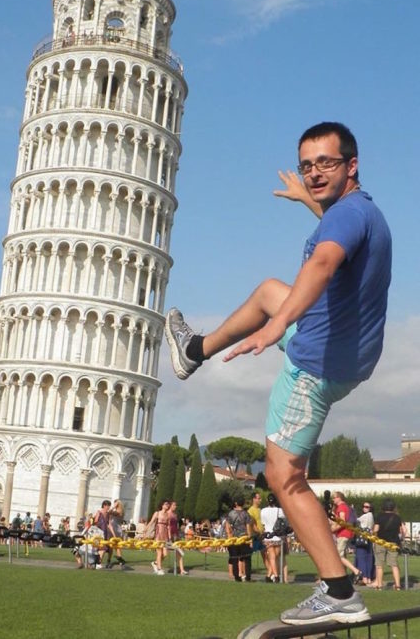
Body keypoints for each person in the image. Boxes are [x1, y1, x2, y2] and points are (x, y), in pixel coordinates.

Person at [165, 122, 391, 624]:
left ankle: (339, 593)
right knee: (270, 290)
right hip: (350, 355)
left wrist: (280, 326)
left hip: (315, 364)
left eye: (325, 164)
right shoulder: (361, 212)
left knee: (282, 475)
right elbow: (335, 234)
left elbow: (326, 261)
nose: (313, 173)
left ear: (351, 166)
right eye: (308, 165)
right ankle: (195, 350)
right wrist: (305, 202)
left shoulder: (343, 221)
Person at [373, 498, 406, 590]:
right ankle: (398, 585)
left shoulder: (379, 516)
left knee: (379, 565)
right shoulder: (397, 517)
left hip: (380, 542)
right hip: (393, 542)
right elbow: (401, 531)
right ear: (393, 507)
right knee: (394, 564)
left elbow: (376, 529)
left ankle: (379, 586)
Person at [330, 492, 362, 583]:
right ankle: (343, 576)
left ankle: (356, 571)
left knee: (339, 556)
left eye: (334, 498)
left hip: (343, 534)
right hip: (345, 533)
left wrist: (333, 529)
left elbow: (342, 521)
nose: (333, 499)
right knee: (342, 555)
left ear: (339, 498)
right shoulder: (345, 507)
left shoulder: (341, 507)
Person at [260, 493, 288, 583]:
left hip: (268, 535)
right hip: (277, 536)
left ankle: (272, 575)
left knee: (272, 557)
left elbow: (263, 523)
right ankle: (273, 575)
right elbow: (284, 519)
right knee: (275, 557)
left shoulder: (263, 511)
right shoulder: (280, 510)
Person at [225, 497, 252, 582]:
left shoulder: (231, 514)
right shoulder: (246, 514)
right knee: (247, 558)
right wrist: (250, 539)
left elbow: (227, 526)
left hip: (234, 538)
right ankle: (248, 576)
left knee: (235, 558)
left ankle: (237, 576)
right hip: (244, 538)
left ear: (236, 503)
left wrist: (229, 537)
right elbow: (248, 527)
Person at [148, 499, 171, 575]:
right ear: (162, 505)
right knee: (159, 552)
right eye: (165, 504)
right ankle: (159, 568)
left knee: (165, 553)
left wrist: (170, 536)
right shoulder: (157, 513)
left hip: (165, 534)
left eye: (168, 504)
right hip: (158, 533)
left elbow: (168, 526)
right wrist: (145, 530)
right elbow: (151, 522)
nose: (167, 505)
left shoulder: (168, 515)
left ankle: (155, 563)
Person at [355, 502, 375, 585]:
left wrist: (352, 511)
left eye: (367, 507)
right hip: (369, 537)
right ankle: (369, 577)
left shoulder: (365, 516)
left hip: (362, 538)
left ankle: (364, 577)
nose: (364, 508)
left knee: (361, 557)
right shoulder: (372, 516)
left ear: (370, 508)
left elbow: (355, 521)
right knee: (369, 558)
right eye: (363, 506)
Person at [247, 491, 266, 571]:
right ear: (253, 499)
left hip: (262, 535)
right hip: (255, 535)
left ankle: (270, 571)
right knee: (249, 554)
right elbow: (252, 524)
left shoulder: (260, 509)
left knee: (265, 554)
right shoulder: (251, 510)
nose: (260, 500)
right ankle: (247, 570)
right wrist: (258, 531)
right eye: (258, 498)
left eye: (260, 498)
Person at [168, 500, 188, 575]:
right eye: (174, 505)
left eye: (176, 505)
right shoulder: (168, 514)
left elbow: (177, 525)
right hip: (170, 534)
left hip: (176, 534)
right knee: (165, 553)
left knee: (179, 552)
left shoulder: (175, 515)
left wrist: (178, 534)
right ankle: (156, 563)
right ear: (170, 505)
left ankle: (182, 570)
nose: (175, 507)